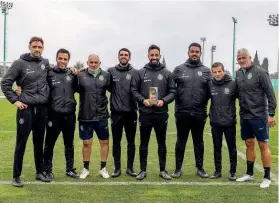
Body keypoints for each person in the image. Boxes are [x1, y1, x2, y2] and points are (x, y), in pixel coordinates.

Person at [1, 36, 51, 187]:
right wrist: (15, 100)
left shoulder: (45, 63)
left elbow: (54, 75)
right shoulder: (19, 63)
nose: (37, 49)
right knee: (21, 143)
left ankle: (40, 172)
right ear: (29, 46)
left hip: (42, 110)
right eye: (34, 46)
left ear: (43, 48)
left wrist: (75, 70)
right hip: (26, 109)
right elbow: (5, 82)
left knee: (38, 143)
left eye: (39, 47)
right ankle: (16, 176)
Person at [131, 44, 176, 180]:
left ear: (160, 56)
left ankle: (163, 170)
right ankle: (142, 170)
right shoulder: (140, 72)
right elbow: (133, 90)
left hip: (161, 114)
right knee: (144, 143)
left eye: (157, 55)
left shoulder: (167, 73)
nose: (154, 57)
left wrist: (164, 100)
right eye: (152, 55)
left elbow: (173, 92)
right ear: (148, 56)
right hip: (145, 113)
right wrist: (143, 100)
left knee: (161, 142)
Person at [235, 48, 276, 188]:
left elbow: (270, 93)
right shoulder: (238, 73)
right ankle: (249, 173)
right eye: (239, 58)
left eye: (243, 58)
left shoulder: (260, 72)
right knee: (249, 143)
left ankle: (267, 177)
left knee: (263, 144)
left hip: (259, 115)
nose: (241, 60)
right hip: (244, 115)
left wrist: (271, 114)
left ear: (250, 57)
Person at [172, 42, 211, 179]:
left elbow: (213, 90)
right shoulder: (178, 69)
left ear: (201, 53)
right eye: (192, 51)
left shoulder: (207, 71)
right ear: (188, 53)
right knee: (181, 140)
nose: (194, 53)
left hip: (200, 112)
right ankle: (177, 168)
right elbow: (170, 88)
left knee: (198, 141)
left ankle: (200, 168)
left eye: (197, 51)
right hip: (182, 112)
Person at [42, 48, 79, 180]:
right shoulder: (49, 74)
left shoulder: (72, 74)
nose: (62, 61)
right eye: (60, 58)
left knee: (69, 144)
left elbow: (80, 87)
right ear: (56, 58)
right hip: (54, 115)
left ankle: (70, 169)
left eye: (65, 59)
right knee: (49, 144)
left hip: (69, 115)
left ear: (68, 61)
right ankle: (47, 170)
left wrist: (76, 71)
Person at [77, 54, 111, 179]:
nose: (93, 64)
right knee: (86, 143)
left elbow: (115, 90)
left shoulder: (106, 76)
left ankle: (103, 168)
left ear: (99, 63)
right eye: (91, 62)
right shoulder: (80, 76)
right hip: (85, 116)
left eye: (96, 62)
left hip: (102, 116)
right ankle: (85, 169)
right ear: (87, 63)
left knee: (104, 142)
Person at [107, 48, 138, 177]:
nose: (123, 57)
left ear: (129, 57)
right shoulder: (111, 71)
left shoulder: (135, 72)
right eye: (121, 55)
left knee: (131, 141)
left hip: (131, 112)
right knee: (116, 141)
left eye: (126, 55)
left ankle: (130, 168)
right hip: (116, 113)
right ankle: (117, 168)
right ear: (118, 57)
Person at [208, 62, 237, 180]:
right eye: (214, 72)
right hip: (215, 122)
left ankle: (232, 171)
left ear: (223, 71)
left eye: (219, 71)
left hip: (229, 122)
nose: (217, 74)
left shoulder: (232, 84)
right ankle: (217, 171)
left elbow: (243, 98)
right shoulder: (209, 84)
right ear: (212, 73)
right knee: (216, 147)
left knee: (232, 147)